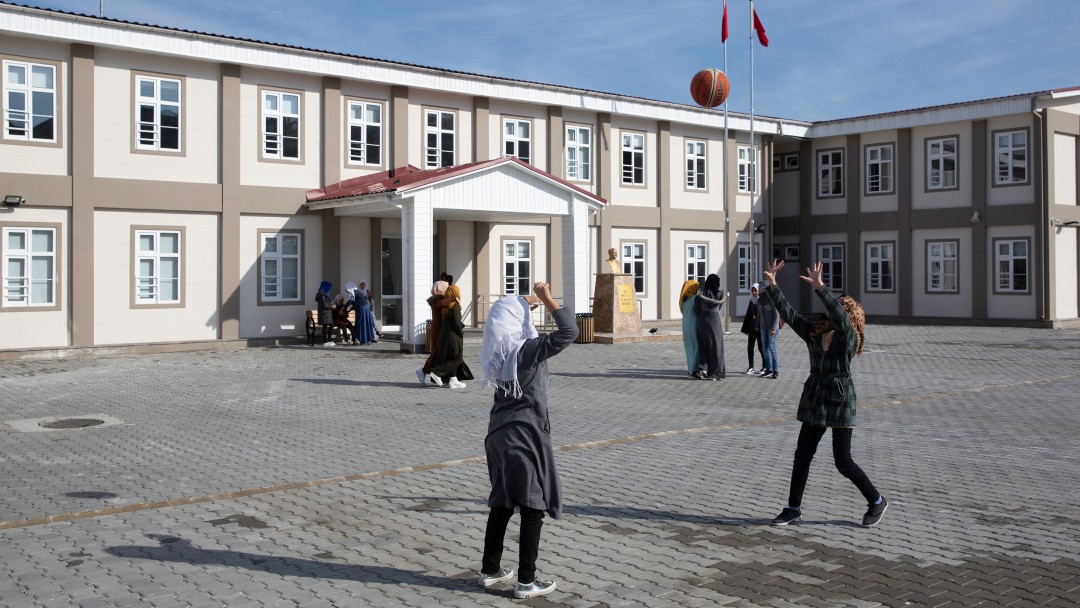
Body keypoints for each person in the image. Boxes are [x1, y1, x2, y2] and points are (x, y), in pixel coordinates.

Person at [762, 260, 888, 528]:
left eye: (840, 305)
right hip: (816, 396)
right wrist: (773, 286)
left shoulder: (848, 338)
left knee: (843, 461)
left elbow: (840, 320)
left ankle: (876, 501)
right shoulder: (816, 331)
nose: (834, 307)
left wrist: (821, 287)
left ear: (849, 314)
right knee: (802, 454)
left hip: (841, 398)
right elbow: (791, 314)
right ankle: (793, 508)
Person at [477, 281, 577, 599]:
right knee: (532, 506)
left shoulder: (498, 352)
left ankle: (490, 570)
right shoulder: (528, 350)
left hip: (497, 436)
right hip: (524, 437)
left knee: (502, 503)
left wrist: (522, 304)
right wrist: (548, 299)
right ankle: (526, 582)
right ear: (519, 321)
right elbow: (569, 332)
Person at [426, 284, 473, 388]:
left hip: (444, 335)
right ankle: (437, 372)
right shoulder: (454, 306)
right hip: (453, 336)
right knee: (457, 357)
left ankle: (453, 379)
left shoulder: (445, 306)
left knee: (450, 358)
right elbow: (456, 323)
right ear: (455, 293)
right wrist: (461, 333)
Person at [693, 273, 725, 380]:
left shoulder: (701, 294)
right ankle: (716, 373)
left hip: (702, 321)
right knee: (716, 348)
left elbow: (696, 308)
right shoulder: (719, 294)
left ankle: (704, 368)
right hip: (714, 322)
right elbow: (719, 306)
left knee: (704, 347)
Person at [757, 278, 781, 379]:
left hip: (772, 328)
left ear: (765, 289)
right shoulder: (759, 300)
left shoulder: (771, 299)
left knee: (772, 348)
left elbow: (776, 315)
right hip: (763, 327)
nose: (758, 290)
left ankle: (775, 370)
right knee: (764, 348)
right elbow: (759, 315)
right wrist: (757, 325)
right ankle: (768, 368)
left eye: (760, 288)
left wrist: (773, 328)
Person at [741, 283, 766, 374]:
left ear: (759, 291)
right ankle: (751, 366)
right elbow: (748, 315)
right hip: (752, 328)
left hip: (760, 328)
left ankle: (765, 366)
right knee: (750, 347)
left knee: (761, 347)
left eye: (756, 290)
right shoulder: (751, 301)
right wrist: (745, 328)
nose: (754, 292)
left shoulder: (761, 301)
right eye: (753, 291)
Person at [678, 280, 700, 377]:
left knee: (689, 349)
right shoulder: (695, 299)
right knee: (696, 348)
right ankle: (694, 371)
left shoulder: (683, 299)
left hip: (685, 325)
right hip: (693, 325)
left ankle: (690, 370)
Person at [351, 280, 380, 345]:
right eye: (361, 284)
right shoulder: (357, 292)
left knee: (372, 318)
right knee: (367, 322)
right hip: (361, 310)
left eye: (363, 284)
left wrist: (373, 310)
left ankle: (375, 332)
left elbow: (372, 301)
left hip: (368, 309)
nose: (362, 285)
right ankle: (373, 334)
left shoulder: (368, 292)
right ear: (359, 285)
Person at [315, 280, 335, 346]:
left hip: (327, 314)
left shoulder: (325, 294)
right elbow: (324, 305)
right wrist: (332, 306)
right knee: (325, 326)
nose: (329, 288)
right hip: (324, 314)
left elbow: (326, 304)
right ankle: (326, 342)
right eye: (328, 287)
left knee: (331, 325)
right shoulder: (322, 295)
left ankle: (329, 340)